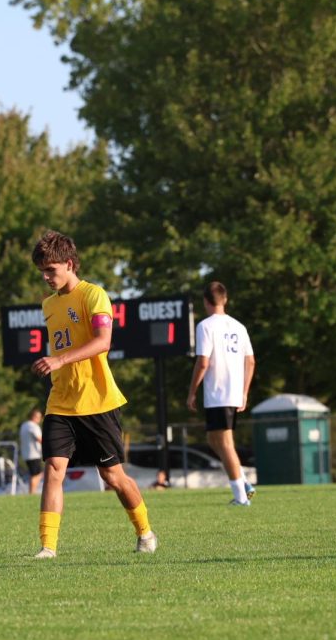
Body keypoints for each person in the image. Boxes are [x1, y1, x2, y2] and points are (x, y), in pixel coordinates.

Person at [28, 230, 157, 558]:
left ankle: (145, 531)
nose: (45, 277)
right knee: (54, 470)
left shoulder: (94, 295)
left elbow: (103, 342)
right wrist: (54, 364)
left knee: (113, 476)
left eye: (51, 270)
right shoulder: (48, 305)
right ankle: (47, 548)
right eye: (42, 271)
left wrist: (59, 358)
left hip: (97, 401)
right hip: (61, 401)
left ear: (69, 264)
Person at [187, 281, 256, 505]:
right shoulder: (239, 326)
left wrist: (192, 392)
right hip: (233, 392)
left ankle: (241, 498)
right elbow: (251, 361)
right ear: (224, 299)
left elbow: (203, 362)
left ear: (206, 301)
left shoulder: (205, 326)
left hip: (218, 392)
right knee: (213, 439)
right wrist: (244, 392)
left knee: (224, 442)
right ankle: (243, 481)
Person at [19, 407, 44, 495]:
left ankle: (32, 491)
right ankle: (32, 492)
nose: (40, 419)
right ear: (35, 417)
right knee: (36, 474)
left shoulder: (24, 425)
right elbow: (39, 439)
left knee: (36, 474)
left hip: (26, 454)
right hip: (34, 454)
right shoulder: (33, 426)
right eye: (39, 417)